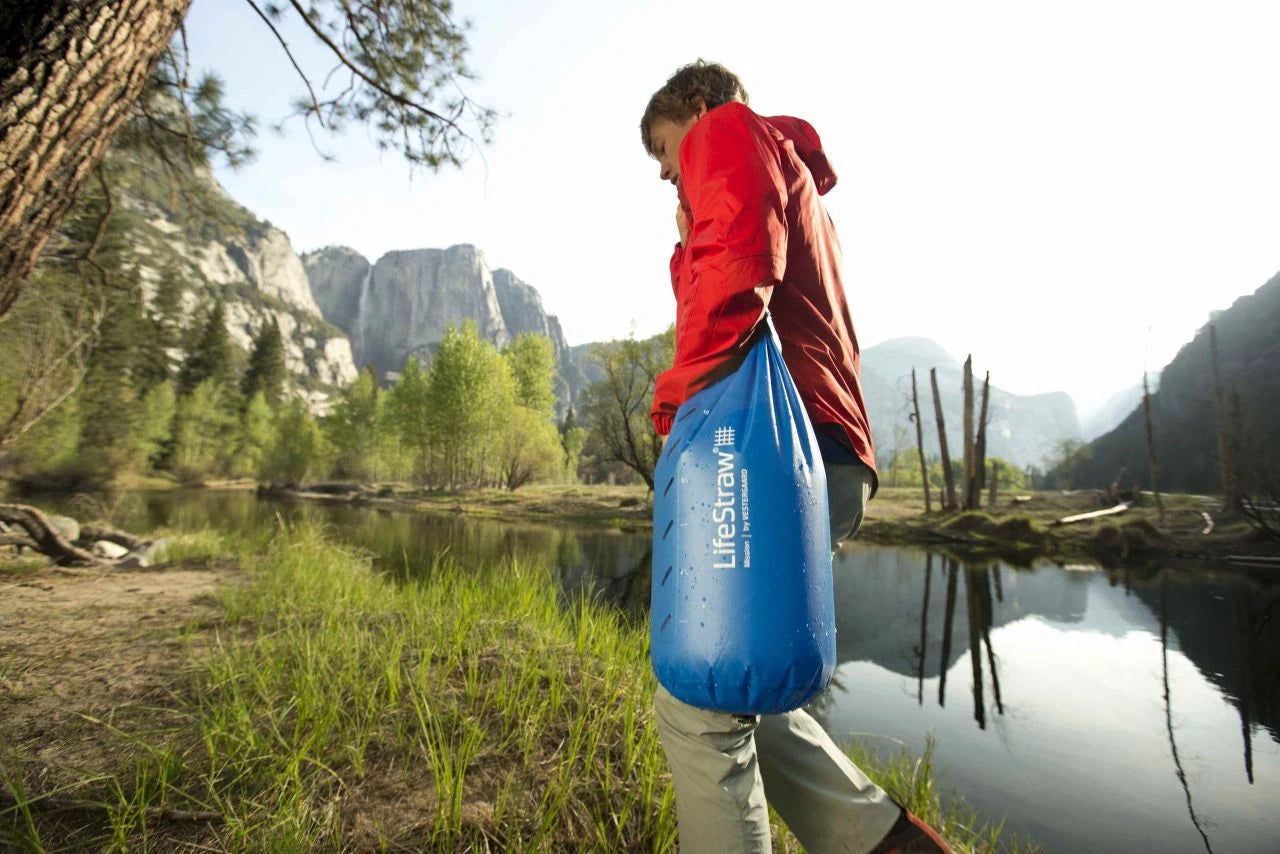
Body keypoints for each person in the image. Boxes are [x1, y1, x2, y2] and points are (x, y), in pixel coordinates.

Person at [640, 60, 952, 854]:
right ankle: (885, 844)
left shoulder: (728, 131)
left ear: (698, 108)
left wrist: (674, 408)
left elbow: (739, 271)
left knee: (702, 705)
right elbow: (745, 275)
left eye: (664, 149)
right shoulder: (794, 179)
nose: (669, 170)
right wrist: (685, 250)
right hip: (824, 454)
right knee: (749, 672)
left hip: (774, 453)